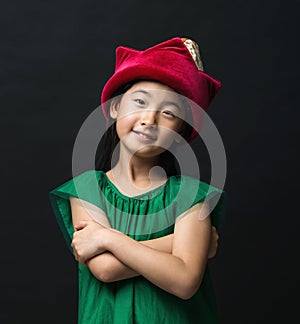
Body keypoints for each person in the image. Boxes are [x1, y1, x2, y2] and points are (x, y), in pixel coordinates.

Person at [49, 36, 226, 323]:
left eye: (168, 112)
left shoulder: (192, 195)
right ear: (116, 107)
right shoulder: (86, 189)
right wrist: (184, 245)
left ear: (181, 128)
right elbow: (105, 268)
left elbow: (184, 281)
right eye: (140, 102)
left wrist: (106, 237)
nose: (149, 119)